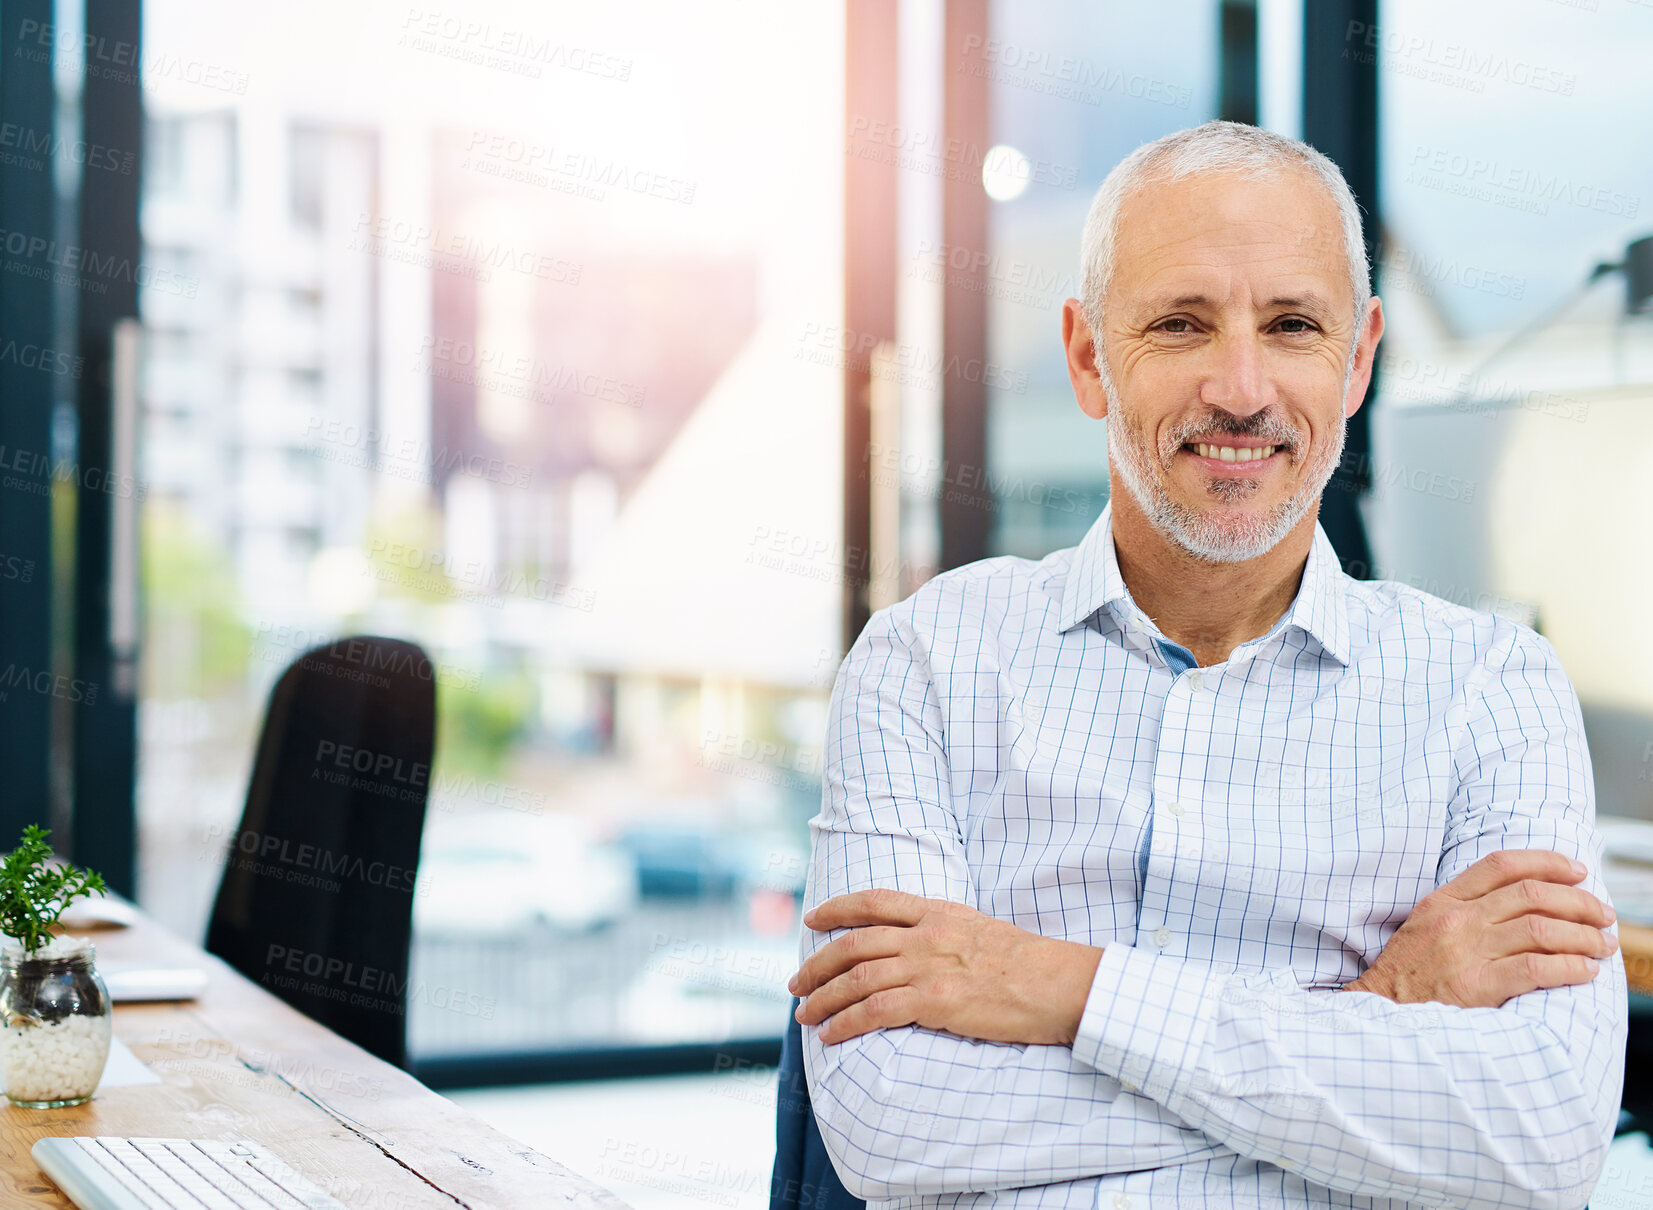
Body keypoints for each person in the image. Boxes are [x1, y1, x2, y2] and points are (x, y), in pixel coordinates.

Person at [787, 120, 1627, 1209]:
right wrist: (1373, 1008)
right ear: (1090, 357)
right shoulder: (922, 663)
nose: (1241, 388)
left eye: (1292, 325)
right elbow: (893, 1122)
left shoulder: (1492, 688)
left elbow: (1541, 1137)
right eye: (1181, 324)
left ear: (1359, 357)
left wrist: (1059, 987)